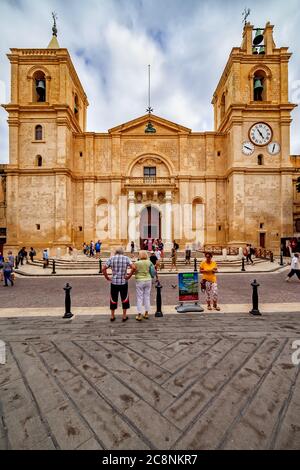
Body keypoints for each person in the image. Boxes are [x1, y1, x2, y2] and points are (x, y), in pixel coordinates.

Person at [102, 247, 135, 322]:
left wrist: (107, 277)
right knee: (125, 298)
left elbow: (103, 268)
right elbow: (134, 267)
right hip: (123, 282)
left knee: (113, 299)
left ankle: (112, 316)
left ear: (116, 252)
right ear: (122, 252)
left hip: (114, 282)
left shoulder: (111, 258)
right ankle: (124, 316)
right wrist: (129, 276)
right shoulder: (126, 258)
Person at [133, 251, 153, 322]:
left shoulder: (137, 263)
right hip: (148, 280)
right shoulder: (149, 262)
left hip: (140, 280)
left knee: (139, 297)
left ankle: (139, 314)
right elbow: (152, 271)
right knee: (147, 297)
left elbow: (133, 271)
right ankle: (146, 313)